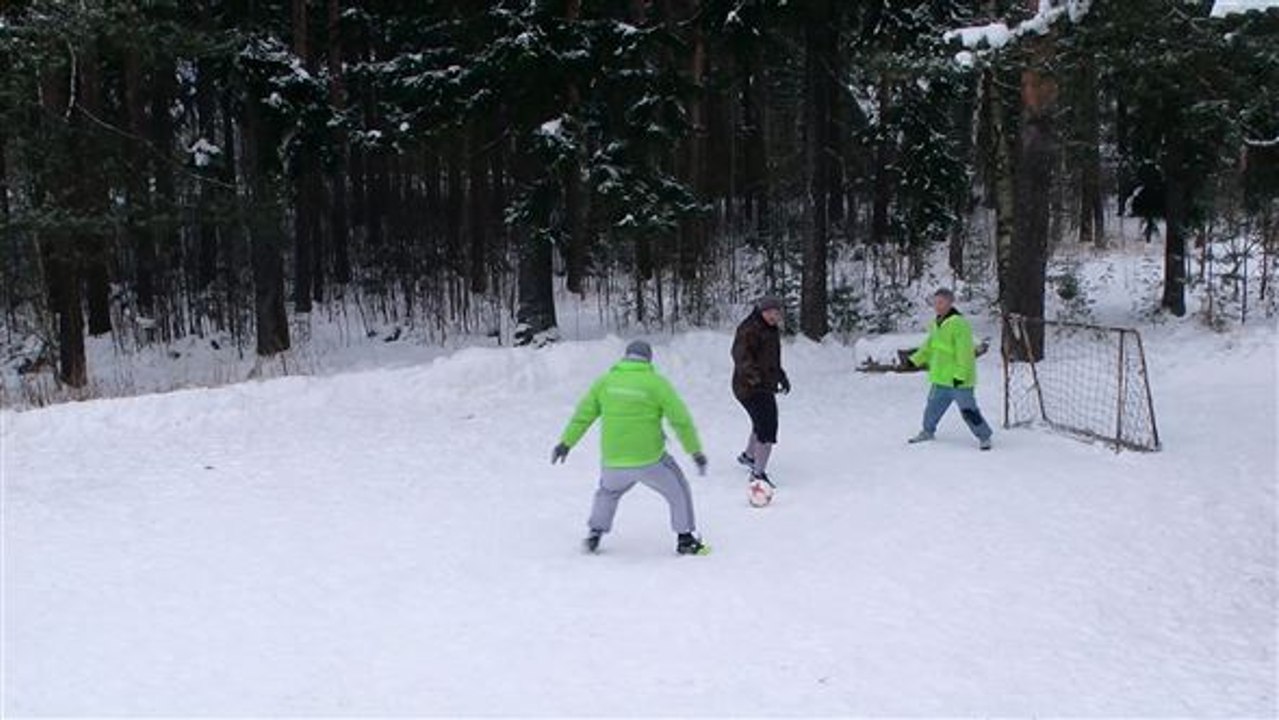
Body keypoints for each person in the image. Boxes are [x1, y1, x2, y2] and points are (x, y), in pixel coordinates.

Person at [552, 340, 710, 555]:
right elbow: (680, 420)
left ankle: (594, 534)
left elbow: (583, 415)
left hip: (613, 461)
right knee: (678, 490)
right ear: (648, 359)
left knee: (607, 493)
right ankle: (685, 539)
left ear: (625, 357)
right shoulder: (656, 383)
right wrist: (695, 451)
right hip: (650, 460)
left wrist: (566, 443)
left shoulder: (605, 382)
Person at [907, 288, 994, 450]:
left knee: (968, 410)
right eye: (935, 303)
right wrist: (915, 360)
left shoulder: (959, 324)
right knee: (932, 408)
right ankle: (927, 431)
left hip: (958, 380)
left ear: (950, 303)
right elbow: (929, 346)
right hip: (940, 378)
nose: (937, 306)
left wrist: (960, 374)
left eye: (941, 302)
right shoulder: (936, 323)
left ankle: (984, 437)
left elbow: (965, 352)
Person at [731, 296, 789, 487]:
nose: (774, 316)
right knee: (767, 426)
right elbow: (740, 357)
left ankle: (749, 456)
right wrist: (754, 378)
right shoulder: (749, 329)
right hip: (748, 387)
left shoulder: (770, 329)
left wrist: (780, 375)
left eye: (777, 313)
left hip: (763, 385)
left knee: (762, 421)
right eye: (771, 312)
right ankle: (758, 474)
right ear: (762, 311)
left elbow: (771, 358)